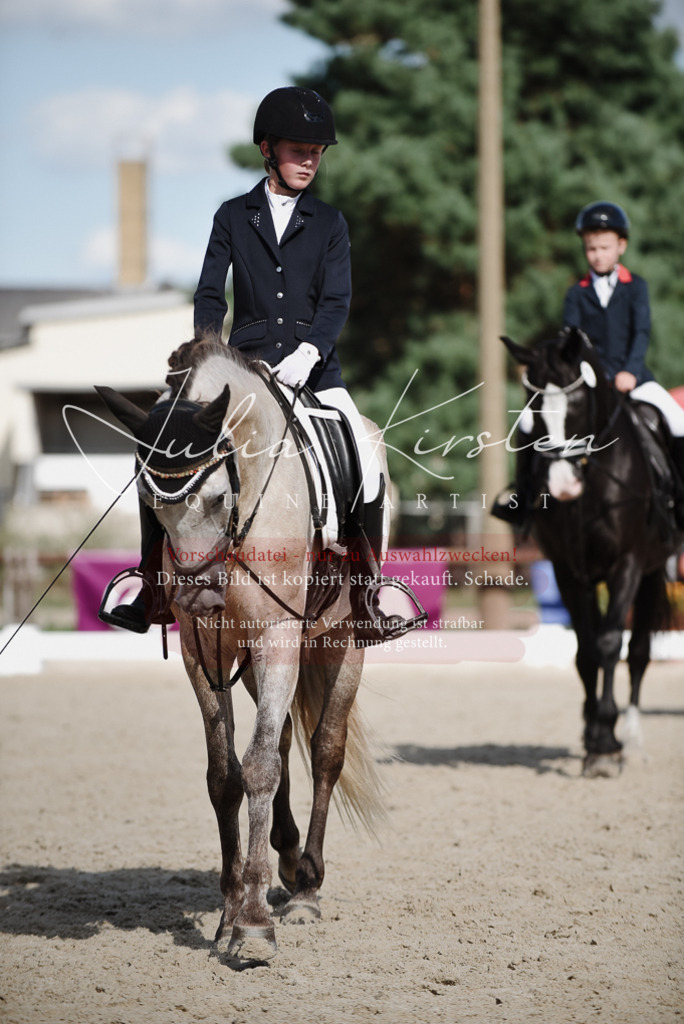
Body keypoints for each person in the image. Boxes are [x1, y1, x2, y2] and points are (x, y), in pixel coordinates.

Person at [103, 86, 409, 641]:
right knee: (163, 450)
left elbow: (336, 300)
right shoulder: (231, 217)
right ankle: (150, 585)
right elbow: (209, 294)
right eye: (299, 149)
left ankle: (367, 594)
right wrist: (205, 357)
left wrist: (311, 351)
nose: (310, 160)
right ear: (268, 149)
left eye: (317, 151)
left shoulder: (330, 222)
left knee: (364, 452)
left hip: (316, 372)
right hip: (241, 372)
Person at [493, 200, 684, 528]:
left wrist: (630, 371)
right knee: (527, 420)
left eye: (604, 247)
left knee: (678, 420)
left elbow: (641, 333)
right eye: (590, 248)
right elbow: (571, 342)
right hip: (588, 381)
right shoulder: (576, 294)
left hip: (634, 377)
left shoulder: (636, 287)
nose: (597, 254)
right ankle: (522, 496)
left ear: (621, 246)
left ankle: (679, 500)